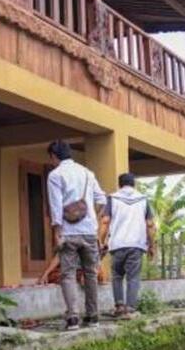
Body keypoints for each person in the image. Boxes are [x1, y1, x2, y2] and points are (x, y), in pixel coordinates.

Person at [46, 140, 106, 330]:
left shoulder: (55, 175)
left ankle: (73, 318)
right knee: (90, 273)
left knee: (68, 274)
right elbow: (102, 199)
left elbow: (56, 206)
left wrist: (57, 232)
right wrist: (93, 217)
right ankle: (93, 316)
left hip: (69, 232)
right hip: (89, 231)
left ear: (54, 156)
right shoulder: (88, 173)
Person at [99, 173, 155, 319]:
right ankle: (130, 310)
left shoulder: (112, 198)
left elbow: (105, 221)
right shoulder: (143, 199)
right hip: (136, 244)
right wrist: (152, 245)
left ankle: (119, 307)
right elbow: (150, 224)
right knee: (133, 277)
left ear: (120, 184)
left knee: (117, 276)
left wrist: (101, 240)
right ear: (134, 184)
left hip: (117, 244)